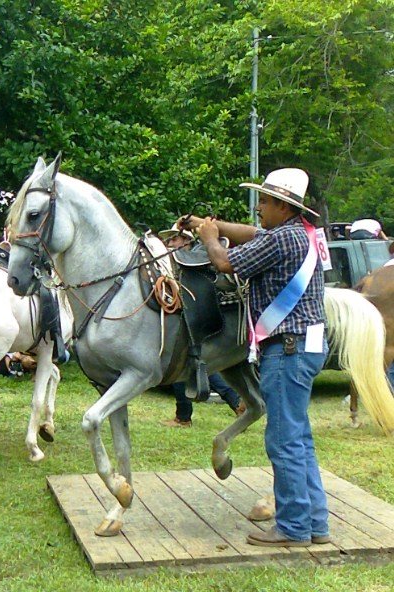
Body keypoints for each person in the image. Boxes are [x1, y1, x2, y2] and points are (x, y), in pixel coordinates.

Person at [180, 168, 329, 548]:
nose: (259, 207)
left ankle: (293, 527)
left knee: (282, 441)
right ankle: (315, 523)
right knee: (299, 437)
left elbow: (225, 263)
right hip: (305, 346)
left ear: (283, 205)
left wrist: (212, 238)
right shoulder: (298, 234)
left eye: (264, 201)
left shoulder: (281, 240)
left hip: (287, 349)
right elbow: (252, 233)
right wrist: (207, 224)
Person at [156, 225, 244, 426]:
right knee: (201, 366)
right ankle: (235, 401)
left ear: (186, 241)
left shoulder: (193, 268)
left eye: (174, 239)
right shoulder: (176, 266)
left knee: (183, 365)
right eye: (168, 240)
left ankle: (183, 416)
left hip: (191, 322)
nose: (169, 244)